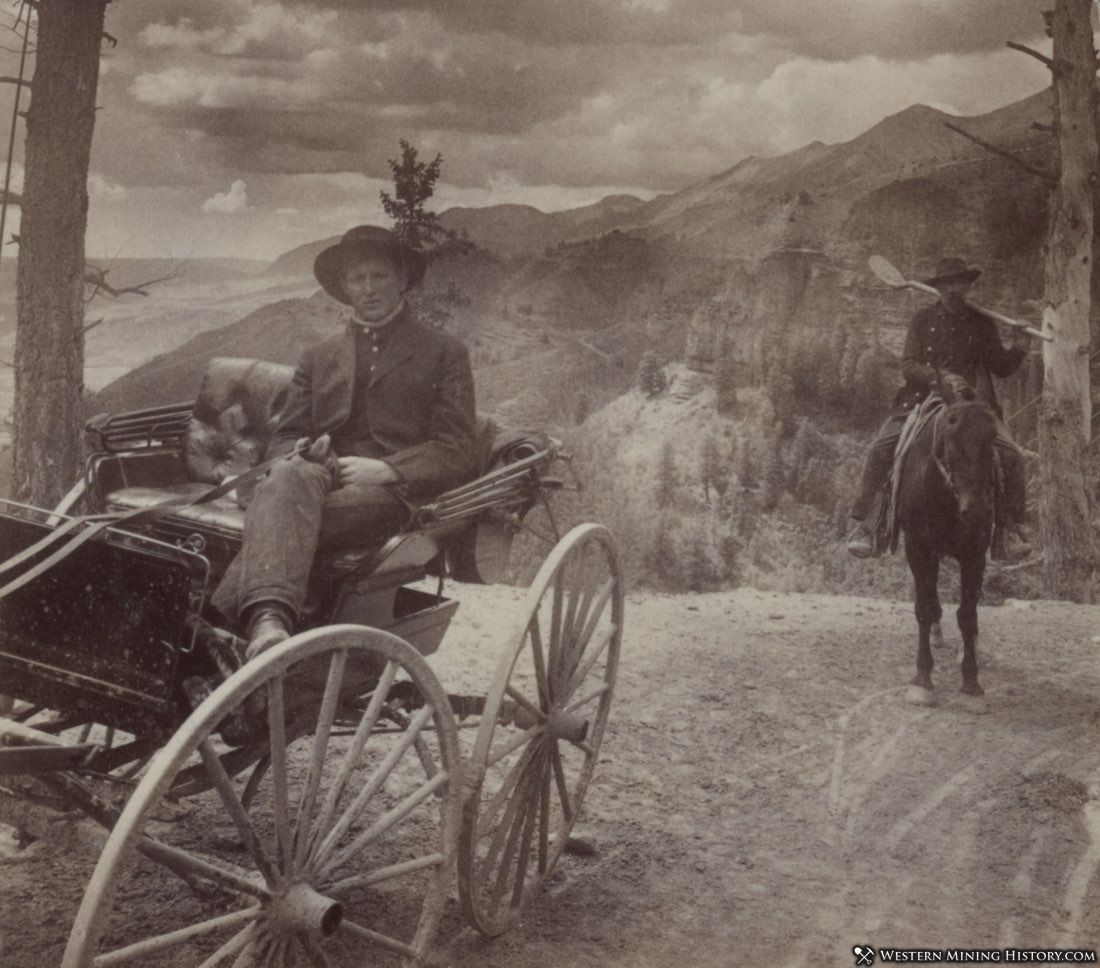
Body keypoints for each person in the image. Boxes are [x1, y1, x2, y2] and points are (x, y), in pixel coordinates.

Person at [211, 225, 480, 656]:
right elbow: (286, 439)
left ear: (403, 280)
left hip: (392, 499)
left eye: (380, 277)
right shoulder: (318, 357)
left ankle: (232, 622)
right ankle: (267, 623)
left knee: (283, 510)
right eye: (359, 279)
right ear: (345, 287)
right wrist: (305, 451)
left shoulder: (443, 353)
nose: (369, 289)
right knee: (286, 477)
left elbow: (458, 448)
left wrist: (390, 469)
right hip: (317, 482)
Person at [846, 256, 1030, 558]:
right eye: (947, 284)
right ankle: (869, 525)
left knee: (1013, 456)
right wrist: (937, 377)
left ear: (968, 286)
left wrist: (1019, 348)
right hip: (923, 399)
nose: (954, 289)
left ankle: (1011, 530)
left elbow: (1000, 367)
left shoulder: (983, 323)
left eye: (960, 283)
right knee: (879, 449)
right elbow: (908, 365)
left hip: (972, 404)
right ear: (939, 287)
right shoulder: (922, 320)